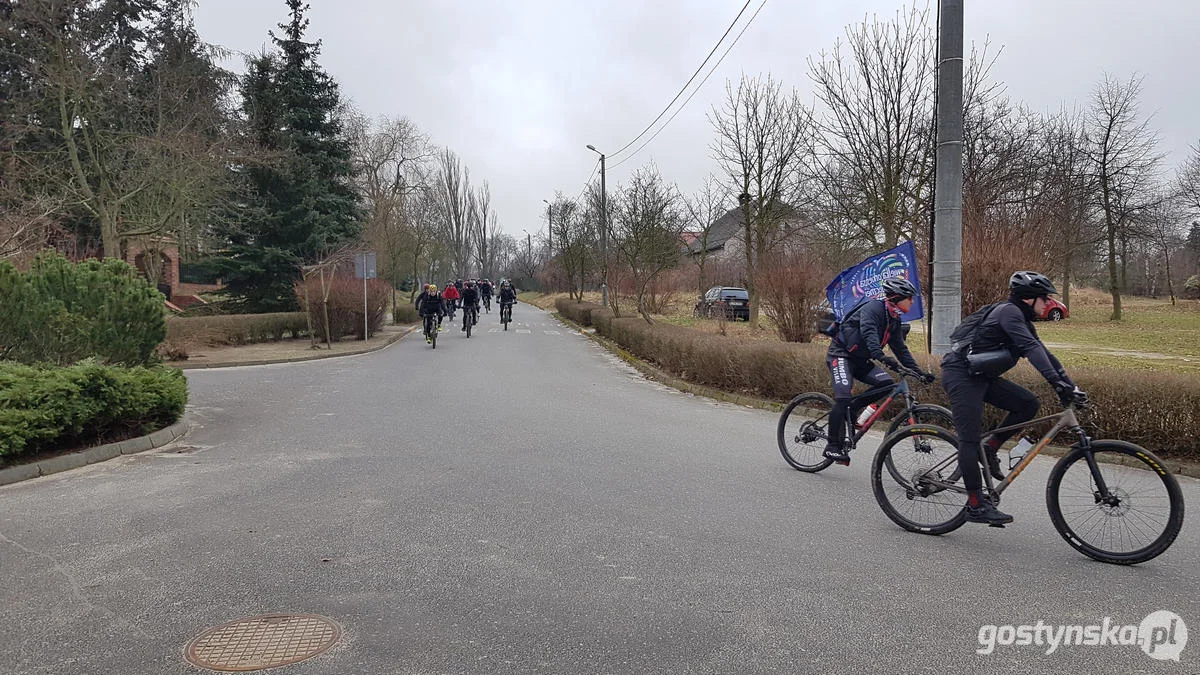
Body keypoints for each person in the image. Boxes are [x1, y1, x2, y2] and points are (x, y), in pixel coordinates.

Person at [940, 271, 1087, 526]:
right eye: (1045, 299)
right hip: (961, 375)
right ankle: (975, 505)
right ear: (1029, 299)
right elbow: (1031, 351)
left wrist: (1069, 386)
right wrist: (1056, 384)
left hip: (981, 375)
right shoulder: (1009, 313)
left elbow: (1043, 353)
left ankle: (991, 446)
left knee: (1027, 404)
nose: (1049, 304)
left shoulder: (1022, 319)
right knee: (969, 438)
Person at [822, 277, 934, 466]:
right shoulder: (873, 309)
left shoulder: (894, 319)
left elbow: (901, 350)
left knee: (887, 384)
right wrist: (882, 357)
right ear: (897, 297)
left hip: (860, 360)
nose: (912, 301)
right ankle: (832, 446)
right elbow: (869, 333)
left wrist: (919, 371)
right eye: (909, 298)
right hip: (840, 355)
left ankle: (852, 409)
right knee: (842, 398)